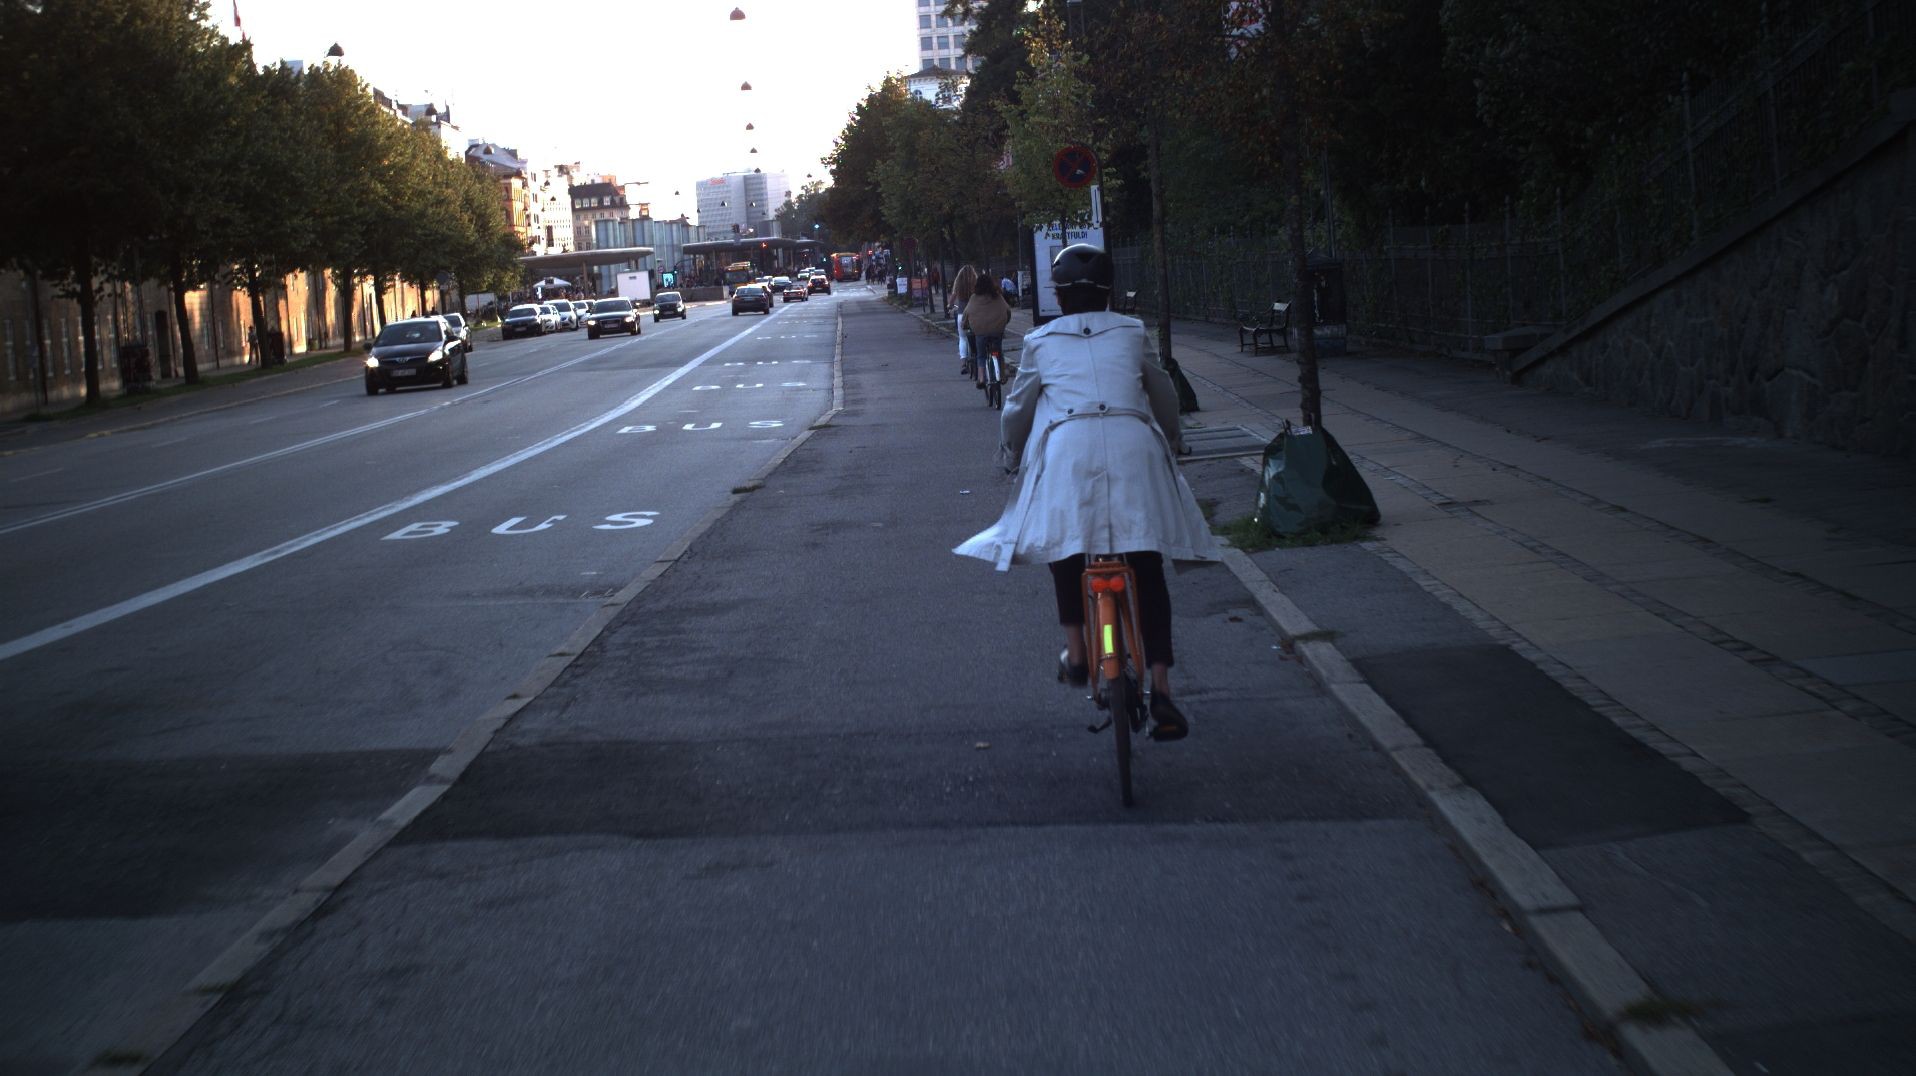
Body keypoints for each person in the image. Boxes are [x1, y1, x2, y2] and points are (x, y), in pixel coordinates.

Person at [953, 244, 1217, 741]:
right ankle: (1162, 690)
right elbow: (1161, 390)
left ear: (1057, 296)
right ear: (1109, 292)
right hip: (1134, 449)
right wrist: (1174, 437)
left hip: (1068, 454)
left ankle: (1077, 653)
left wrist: (1010, 454)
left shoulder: (1040, 341)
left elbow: (1018, 408)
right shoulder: (1132, 332)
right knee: (1147, 565)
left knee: (1065, 547)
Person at [961, 274, 1012, 390]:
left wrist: (965, 325)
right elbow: (1008, 310)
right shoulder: (998, 296)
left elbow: (966, 314)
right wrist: (1005, 322)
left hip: (980, 332)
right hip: (996, 330)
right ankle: (1002, 375)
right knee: (998, 352)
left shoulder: (974, 298)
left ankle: (981, 378)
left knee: (981, 355)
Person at [951, 265, 979, 376]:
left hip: (962, 314)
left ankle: (963, 363)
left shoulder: (958, 285)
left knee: (962, 338)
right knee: (977, 336)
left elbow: (952, 298)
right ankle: (978, 356)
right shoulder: (976, 284)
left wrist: (949, 305)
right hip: (975, 314)